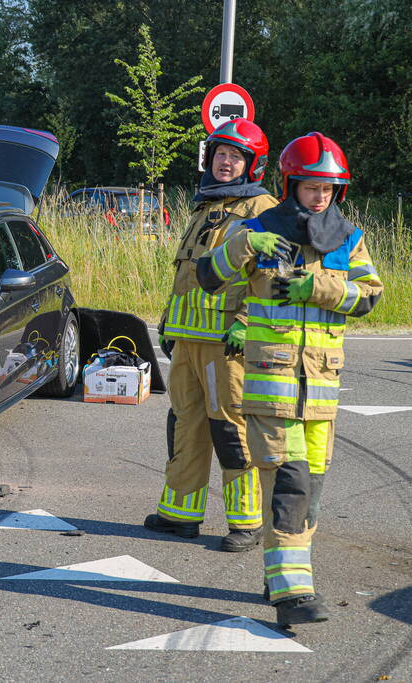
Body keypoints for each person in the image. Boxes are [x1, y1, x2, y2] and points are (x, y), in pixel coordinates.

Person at [196, 132, 383, 627]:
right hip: (271, 391)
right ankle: (293, 595)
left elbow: (369, 295)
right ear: (290, 184)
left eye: (328, 189)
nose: (319, 197)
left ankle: (278, 576)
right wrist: (240, 244)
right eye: (310, 187)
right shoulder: (258, 230)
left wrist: (316, 285)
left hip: (321, 393)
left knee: (309, 492)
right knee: (290, 486)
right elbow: (207, 277)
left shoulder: (348, 237)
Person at [146, 119, 279, 551]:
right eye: (221, 153)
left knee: (231, 430)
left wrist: (246, 323)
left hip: (228, 345)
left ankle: (246, 523)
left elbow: (271, 278)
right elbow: (187, 272)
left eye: (236, 156)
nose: (226, 162)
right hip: (187, 341)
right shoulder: (207, 206)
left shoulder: (262, 210)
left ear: (251, 164)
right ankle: (180, 515)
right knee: (185, 426)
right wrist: (168, 322)